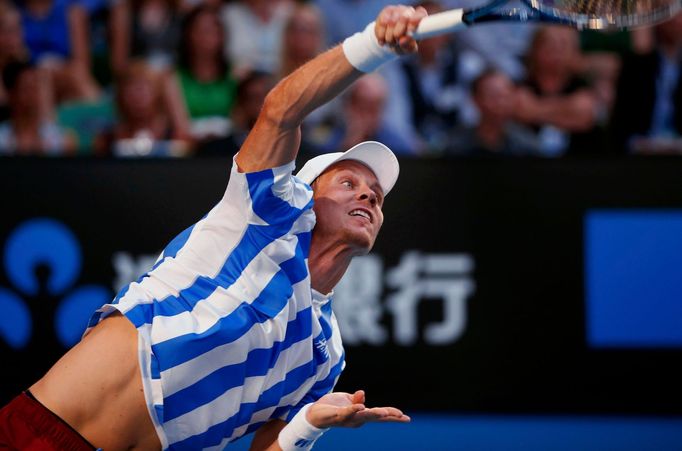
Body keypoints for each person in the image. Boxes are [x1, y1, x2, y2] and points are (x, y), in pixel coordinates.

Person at [0, 4, 425, 450]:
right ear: (306, 196)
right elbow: (282, 109)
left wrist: (311, 423)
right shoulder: (265, 216)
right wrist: (373, 44)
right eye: (349, 182)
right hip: (45, 433)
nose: (369, 195)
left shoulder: (325, 356)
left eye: (376, 194)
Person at [445, 69, 539, 156]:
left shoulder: (526, 144)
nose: (500, 103)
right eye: (493, 96)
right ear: (475, 100)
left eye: (505, 96)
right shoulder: (456, 145)